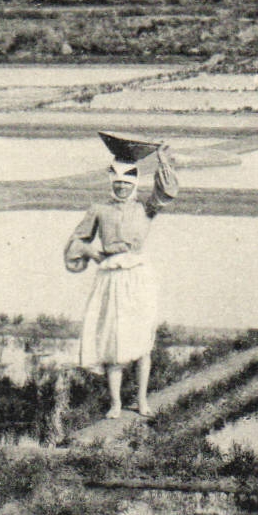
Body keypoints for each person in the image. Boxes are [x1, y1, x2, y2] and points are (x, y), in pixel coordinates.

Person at [65, 145, 179, 420]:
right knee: (112, 340)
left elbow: (167, 192)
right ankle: (115, 403)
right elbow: (77, 241)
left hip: (138, 278)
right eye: (117, 184)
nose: (121, 189)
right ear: (111, 184)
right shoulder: (99, 210)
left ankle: (141, 401)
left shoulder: (145, 209)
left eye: (126, 184)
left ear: (134, 184)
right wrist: (90, 251)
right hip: (110, 278)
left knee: (141, 341)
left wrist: (163, 162)